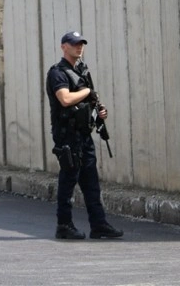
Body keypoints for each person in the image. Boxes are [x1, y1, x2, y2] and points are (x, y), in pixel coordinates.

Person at [45, 31, 124, 240]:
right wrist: (88, 92)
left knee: (91, 183)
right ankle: (64, 225)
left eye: (81, 44)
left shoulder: (82, 71)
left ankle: (98, 225)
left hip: (83, 134)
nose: (79, 47)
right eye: (74, 44)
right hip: (67, 137)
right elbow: (65, 99)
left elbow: (87, 103)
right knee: (68, 180)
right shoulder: (57, 73)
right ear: (64, 47)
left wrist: (99, 114)